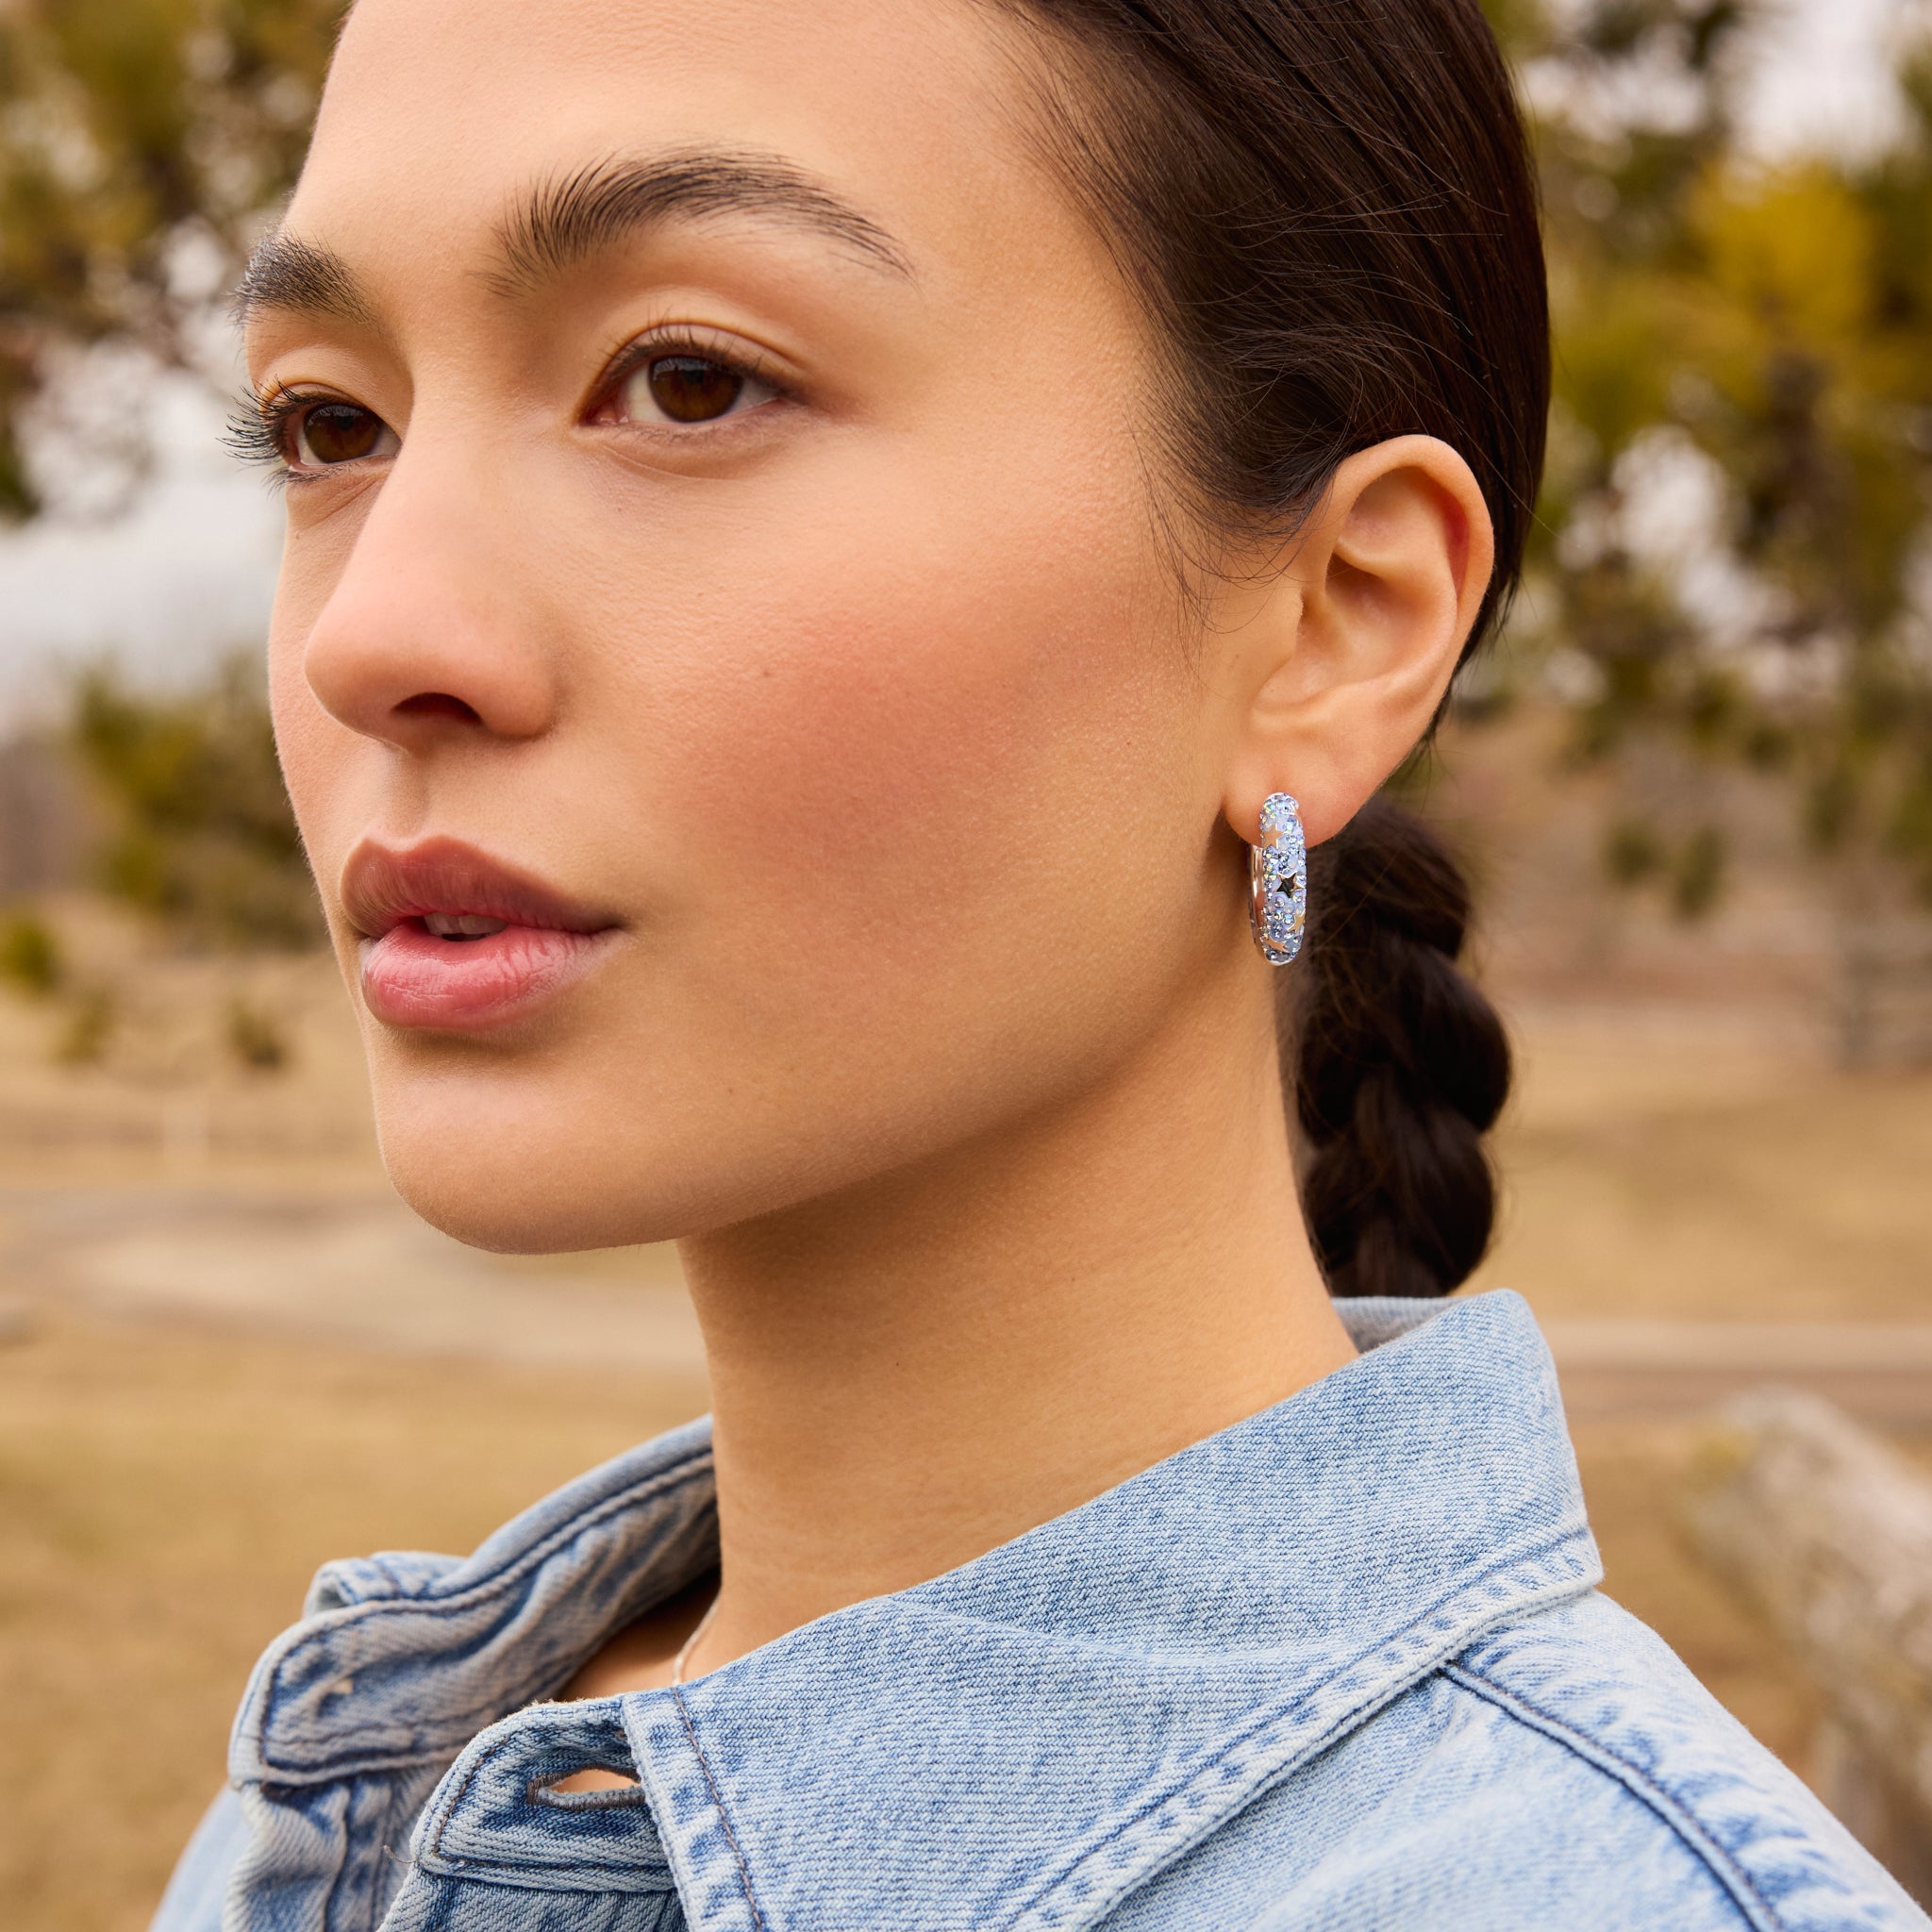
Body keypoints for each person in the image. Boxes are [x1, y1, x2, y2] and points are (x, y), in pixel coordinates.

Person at [151, 0, 1924, 1926]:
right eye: (332, 423)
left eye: (684, 382)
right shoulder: (349, 1802)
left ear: (1335, 622)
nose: (373, 629)